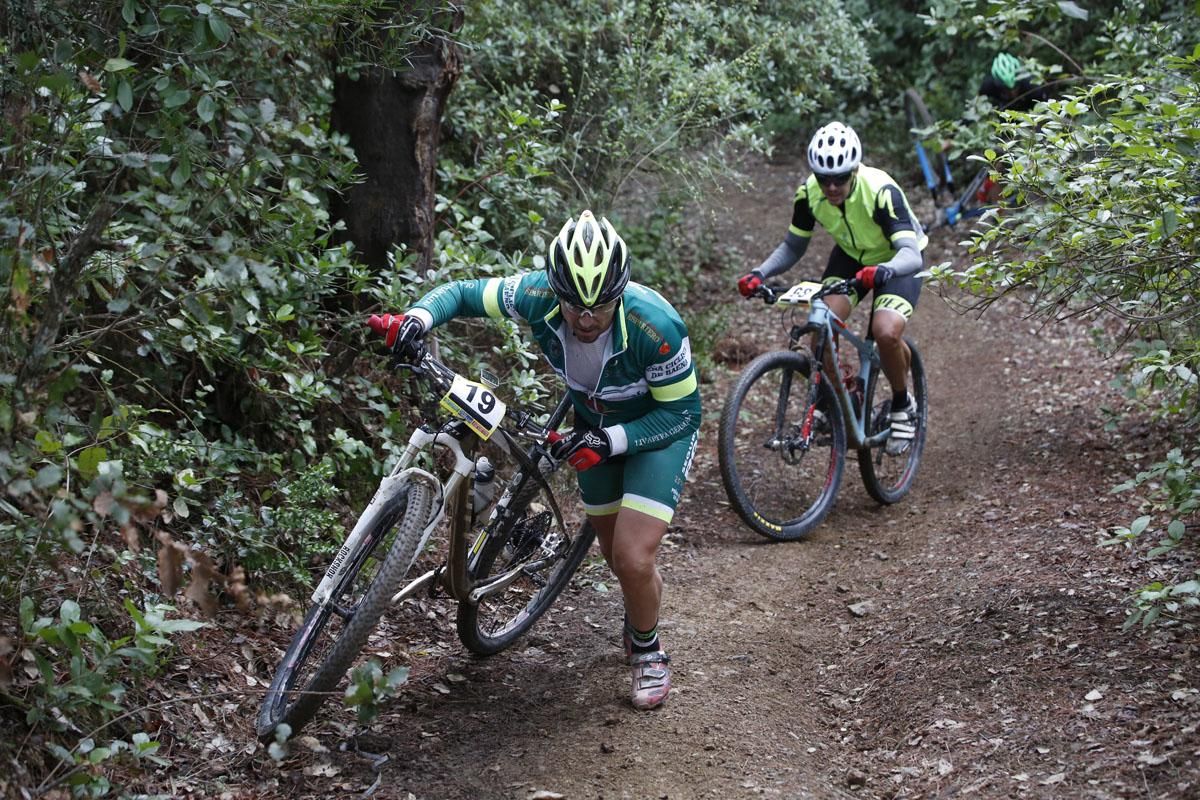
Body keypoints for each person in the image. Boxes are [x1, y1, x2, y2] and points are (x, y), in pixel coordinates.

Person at [384, 210, 701, 710]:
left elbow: (683, 413)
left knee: (632, 557)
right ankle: (639, 608)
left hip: (656, 433)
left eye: (600, 305)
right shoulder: (533, 295)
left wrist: (611, 441)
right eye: (573, 305)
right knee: (614, 557)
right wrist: (418, 317)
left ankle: (648, 649)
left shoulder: (655, 326)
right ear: (555, 289)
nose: (587, 318)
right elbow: (463, 293)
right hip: (592, 426)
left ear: (621, 290)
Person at [736, 121, 925, 456]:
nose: (832, 186)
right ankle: (839, 407)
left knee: (885, 332)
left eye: (840, 178)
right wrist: (760, 273)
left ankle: (902, 404)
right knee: (821, 325)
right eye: (825, 179)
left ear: (854, 170)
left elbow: (910, 253)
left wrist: (884, 270)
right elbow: (793, 246)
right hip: (851, 258)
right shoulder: (809, 195)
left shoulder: (881, 192)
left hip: (896, 260)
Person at [979, 52, 1051, 114]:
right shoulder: (988, 86)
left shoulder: (1032, 85)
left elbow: (1047, 108)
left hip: (1029, 109)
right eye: (1007, 89)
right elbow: (978, 105)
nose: (1012, 93)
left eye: (1015, 87)